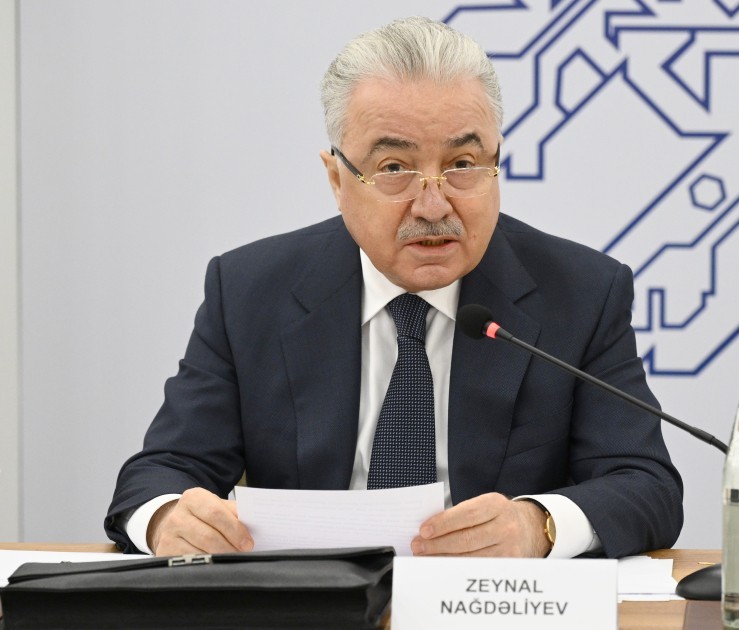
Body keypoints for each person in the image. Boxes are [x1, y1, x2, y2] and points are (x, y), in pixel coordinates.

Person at [105, 16, 683, 559]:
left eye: (463, 163)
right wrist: (166, 520)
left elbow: (645, 484)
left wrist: (539, 525)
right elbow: (159, 473)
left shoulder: (580, 293)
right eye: (393, 169)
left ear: (496, 164)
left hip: (487, 606)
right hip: (313, 604)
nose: (433, 206)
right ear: (337, 179)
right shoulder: (250, 291)